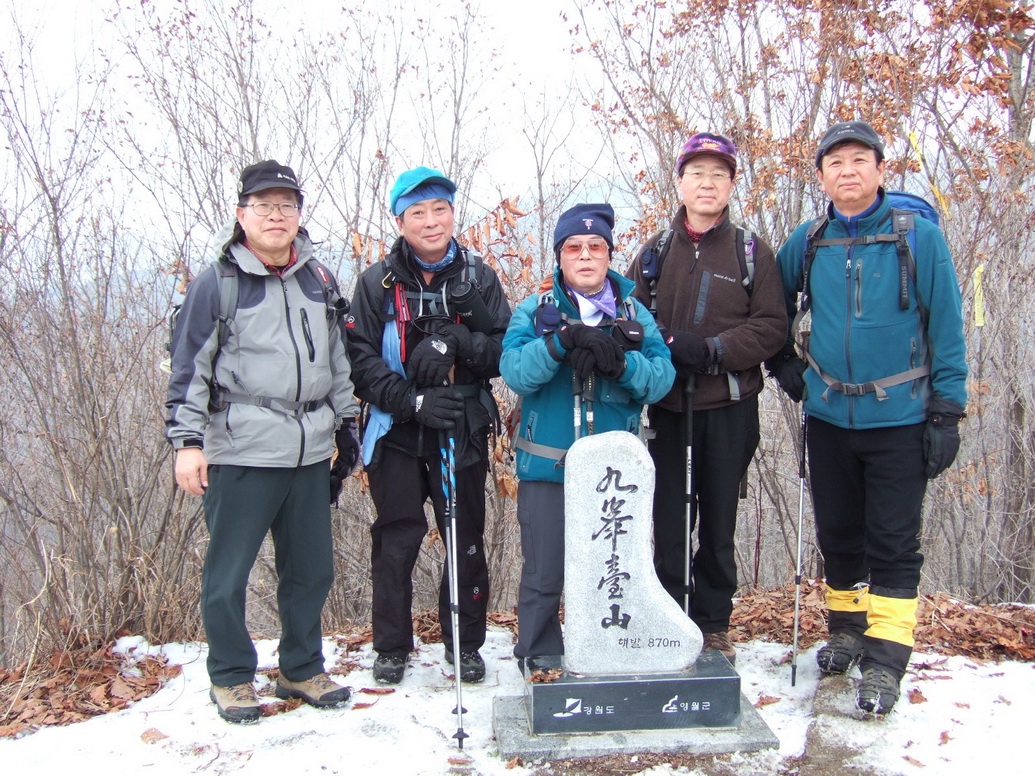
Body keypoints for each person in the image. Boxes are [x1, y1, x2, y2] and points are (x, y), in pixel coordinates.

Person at [770, 121, 967, 714]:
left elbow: (947, 326)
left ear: (881, 169)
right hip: (829, 414)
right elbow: (770, 309)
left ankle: (886, 657)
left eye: (860, 160)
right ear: (821, 176)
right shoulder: (808, 241)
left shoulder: (918, 238)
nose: (848, 171)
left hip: (901, 417)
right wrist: (784, 364)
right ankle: (847, 630)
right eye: (836, 162)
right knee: (839, 534)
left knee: (893, 542)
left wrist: (947, 412)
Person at [166, 160, 360, 723]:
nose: (276, 216)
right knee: (229, 573)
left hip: (309, 450)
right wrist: (187, 442)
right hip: (241, 448)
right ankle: (230, 676)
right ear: (241, 213)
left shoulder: (318, 278)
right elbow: (188, 369)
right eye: (264, 206)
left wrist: (346, 424)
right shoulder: (218, 283)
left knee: (311, 570)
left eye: (286, 206)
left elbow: (338, 360)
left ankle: (301, 668)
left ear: (299, 214)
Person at [626, 133, 787, 664]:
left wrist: (715, 350)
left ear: (732, 184)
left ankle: (714, 623)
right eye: (697, 173)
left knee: (718, 522)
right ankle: (670, 616)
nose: (707, 183)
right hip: (669, 408)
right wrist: (667, 346)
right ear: (680, 182)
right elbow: (629, 318)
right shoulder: (655, 252)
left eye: (719, 174)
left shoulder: (751, 251)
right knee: (669, 521)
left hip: (730, 406)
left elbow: (772, 326)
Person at [346, 167, 511, 685]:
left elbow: (504, 351)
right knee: (396, 537)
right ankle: (391, 647)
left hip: (461, 426)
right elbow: (359, 360)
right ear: (400, 222)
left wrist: (460, 343)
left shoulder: (479, 277)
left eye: (440, 209)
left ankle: (465, 644)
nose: (431, 221)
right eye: (417, 212)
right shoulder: (376, 283)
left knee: (464, 536)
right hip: (395, 428)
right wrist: (410, 401)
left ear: (453, 214)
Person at [501, 203, 675, 671]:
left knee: (615, 569)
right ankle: (539, 655)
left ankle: (612, 648)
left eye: (595, 246)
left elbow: (661, 379)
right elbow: (515, 372)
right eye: (573, 247)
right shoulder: (534, 310)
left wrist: (622, 365)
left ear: (608, 255)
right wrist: (559, 344)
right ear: (559, 257)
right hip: (548, 467)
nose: (584, 255)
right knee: (544, 572)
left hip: (615, 474)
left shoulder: (633, 312)